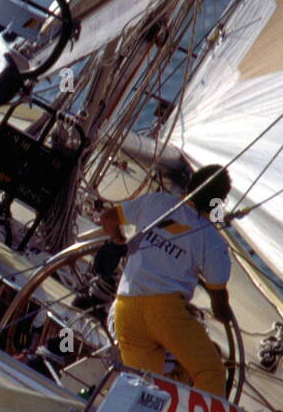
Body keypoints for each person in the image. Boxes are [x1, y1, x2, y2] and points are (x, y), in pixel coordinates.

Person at [98, 164, 234, 396]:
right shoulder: (213, 241)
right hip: (166, 315)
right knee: (211, 372)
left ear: (191, 184)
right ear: (217, 204)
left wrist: (120, 239)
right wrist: (225, 316)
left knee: (142, 389)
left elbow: (108, 218)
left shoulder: (155, 202)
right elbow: (219, 304)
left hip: (126, 308)